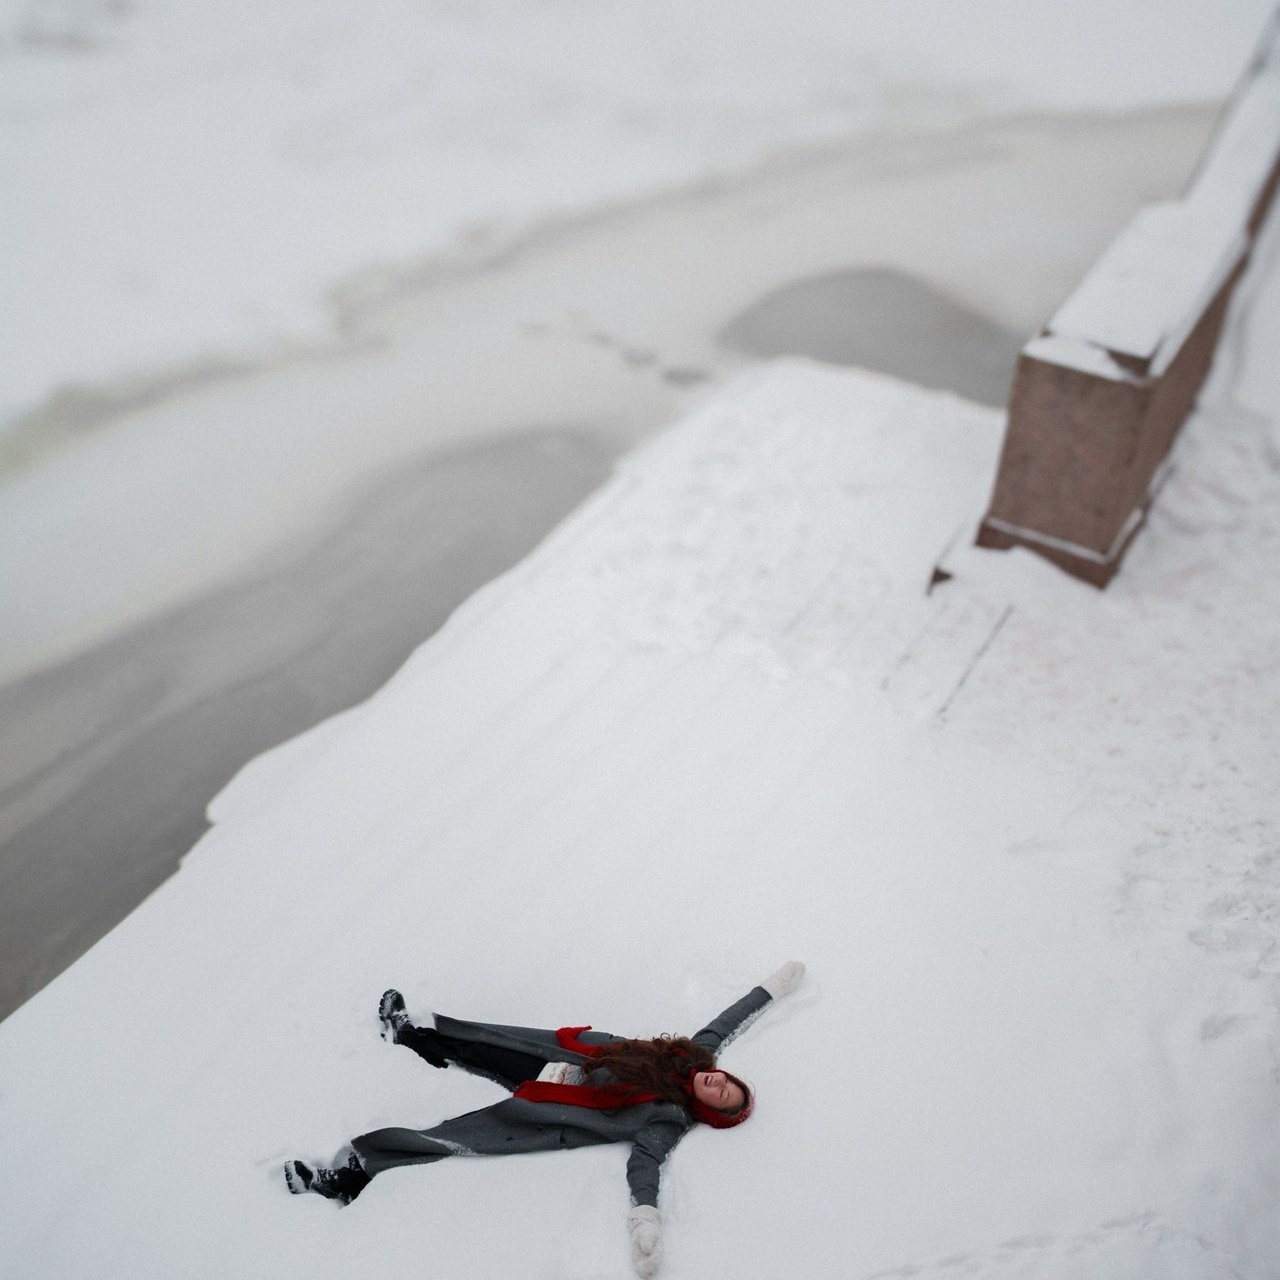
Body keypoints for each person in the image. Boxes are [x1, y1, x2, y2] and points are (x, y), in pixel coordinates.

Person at [284, 961, 806, 1277]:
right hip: (559, 1059)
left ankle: (346, 1174)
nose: (717, 1086)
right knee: (484, 1044)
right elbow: (728, 1019)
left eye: (722, 1099)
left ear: (708, 1113)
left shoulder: (668, 1119)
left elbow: (646, 1166)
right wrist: (775, 987)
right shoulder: (694, 1056)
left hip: (547, 1106)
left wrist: (645, 1221)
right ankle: (412, 1035)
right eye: (727, 1083)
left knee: (449, 1138)